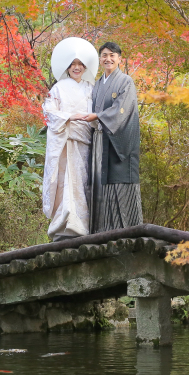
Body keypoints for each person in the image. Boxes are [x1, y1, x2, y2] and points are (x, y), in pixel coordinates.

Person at [42, 37, 98, 242]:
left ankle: (82, 225)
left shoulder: (91, 88)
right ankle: (63, 225)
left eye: (80, 64)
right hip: (65, 139)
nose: (76, 68)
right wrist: (69, 117)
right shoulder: (58, 88)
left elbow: (97, 113)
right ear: (68, 67)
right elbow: (48, 112)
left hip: (84, 140)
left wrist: (90, 120)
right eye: (73, 64)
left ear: (85, 67)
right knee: (65, 182)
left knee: (82, 182)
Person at [83, 41, 143, 233]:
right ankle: (103, 230)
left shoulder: (126, 81)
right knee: (100, 183)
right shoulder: (98, 84)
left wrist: (99, 116)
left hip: (118, 142)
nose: (108, 59)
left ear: (119, 59)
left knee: (118, 183)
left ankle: (127, 231)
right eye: (104, 55)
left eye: (112, 55)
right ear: (100, 59)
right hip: (100, 140)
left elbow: (121, 110)